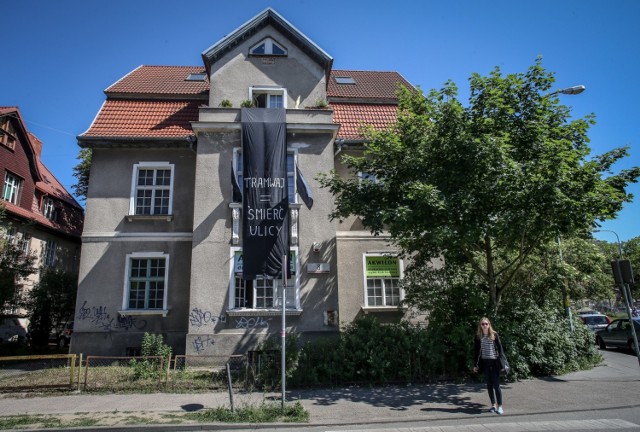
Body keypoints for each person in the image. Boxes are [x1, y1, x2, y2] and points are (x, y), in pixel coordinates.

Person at [472, 317, 506, 415]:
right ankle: (493, 405)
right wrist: (476, 365)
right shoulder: (479, 336)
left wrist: (502, 364)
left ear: (489, 324)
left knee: (496, 385)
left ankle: (500, 406)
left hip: (494, 363)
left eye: (486, 324)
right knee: (489, 385)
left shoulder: (494, 335)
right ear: (480, 325)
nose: (485, 326)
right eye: (483, 324)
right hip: (485, 363)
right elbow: (476, 352)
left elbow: (500, 350)